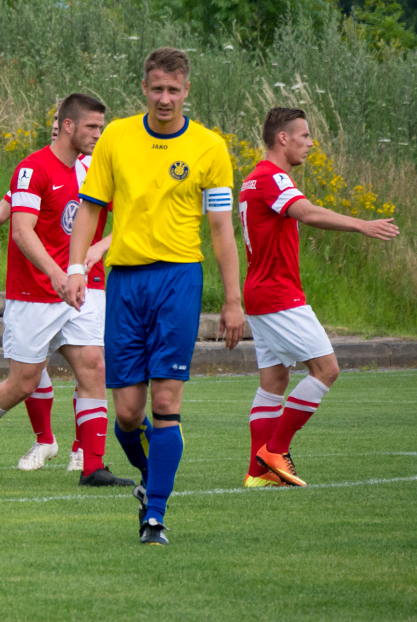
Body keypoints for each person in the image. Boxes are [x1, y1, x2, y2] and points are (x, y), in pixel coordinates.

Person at [64, 47, 246, 545]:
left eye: (174, 90)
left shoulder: (209, 148)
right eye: (157, 89)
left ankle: (155, 515)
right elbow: (90, 210)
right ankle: (152, 477)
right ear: (143, 88)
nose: (165, 98)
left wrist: (233, 299)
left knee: (165, 402)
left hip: (178, 281)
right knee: (126, 413)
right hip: (124, 282)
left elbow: (222, 229)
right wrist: (78, 266)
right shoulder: (118, 138)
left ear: (187, 91)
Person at [0, 93, 134, 490]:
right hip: (36, 294)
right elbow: (18, 225)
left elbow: (129, 218)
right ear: (67, 125)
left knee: (94, 367)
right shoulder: (32, 169)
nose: (99, 134)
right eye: (92, 127)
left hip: (84, 288)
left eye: (102, 127)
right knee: (23, 383)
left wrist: (96, 249)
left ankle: (92, 467)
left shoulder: (97, 169)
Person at [240, 107, 399, 488]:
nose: (310, 143)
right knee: (327, 369)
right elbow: (307, 213)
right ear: (283, 138)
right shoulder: (271, 177)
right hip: (278, 294)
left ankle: (258, 473)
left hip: (260, 293)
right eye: (305, 136)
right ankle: (275, 450)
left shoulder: (251, 180)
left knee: (274, 380)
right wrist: (361, 224)